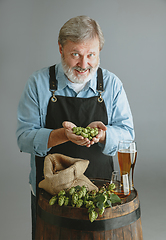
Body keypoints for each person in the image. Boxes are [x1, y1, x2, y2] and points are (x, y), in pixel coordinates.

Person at [16, 15, 135, 239]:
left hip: (99, 194)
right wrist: (62, 135)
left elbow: (128, 135)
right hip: (52, 193)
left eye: (91, 55)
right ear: (60, 49)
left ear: (99, 51)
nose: (84, 64)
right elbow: (23, 138)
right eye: (75, 55)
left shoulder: (112, 85)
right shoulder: (38, 83)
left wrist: (102, 135)